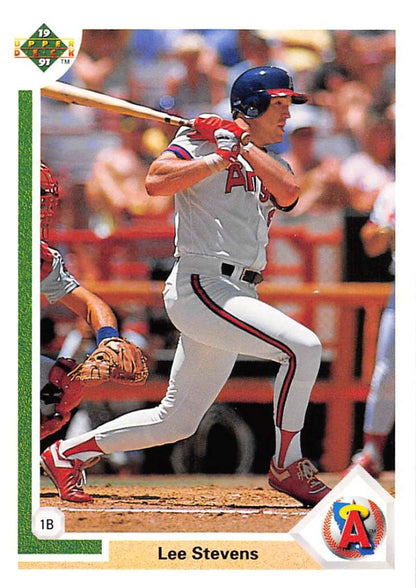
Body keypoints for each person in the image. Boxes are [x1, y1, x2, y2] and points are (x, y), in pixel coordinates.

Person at [40, 66, 331, 507]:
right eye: (279, 106)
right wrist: (216, 155)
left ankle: (67, 453)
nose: (286, 117)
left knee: (176, 420)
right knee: (303, 347)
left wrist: (243, 144)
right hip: (203, 283)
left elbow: (290, 192)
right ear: (251, 106)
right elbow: (155, 182)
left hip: (239, 292)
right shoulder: (200, 140)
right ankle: (286, 465)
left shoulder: (268, 157)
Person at [40, 162, 121, 441]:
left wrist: (110, 339)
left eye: (43, 200)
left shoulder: (40, 257)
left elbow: (90, 305)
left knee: (60, 384)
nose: (41, 211)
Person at [346, 181, 395, 477]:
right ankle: (372, 452)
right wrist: (383, 231)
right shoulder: (393, 191)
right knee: (387, 371)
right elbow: (371, 244)